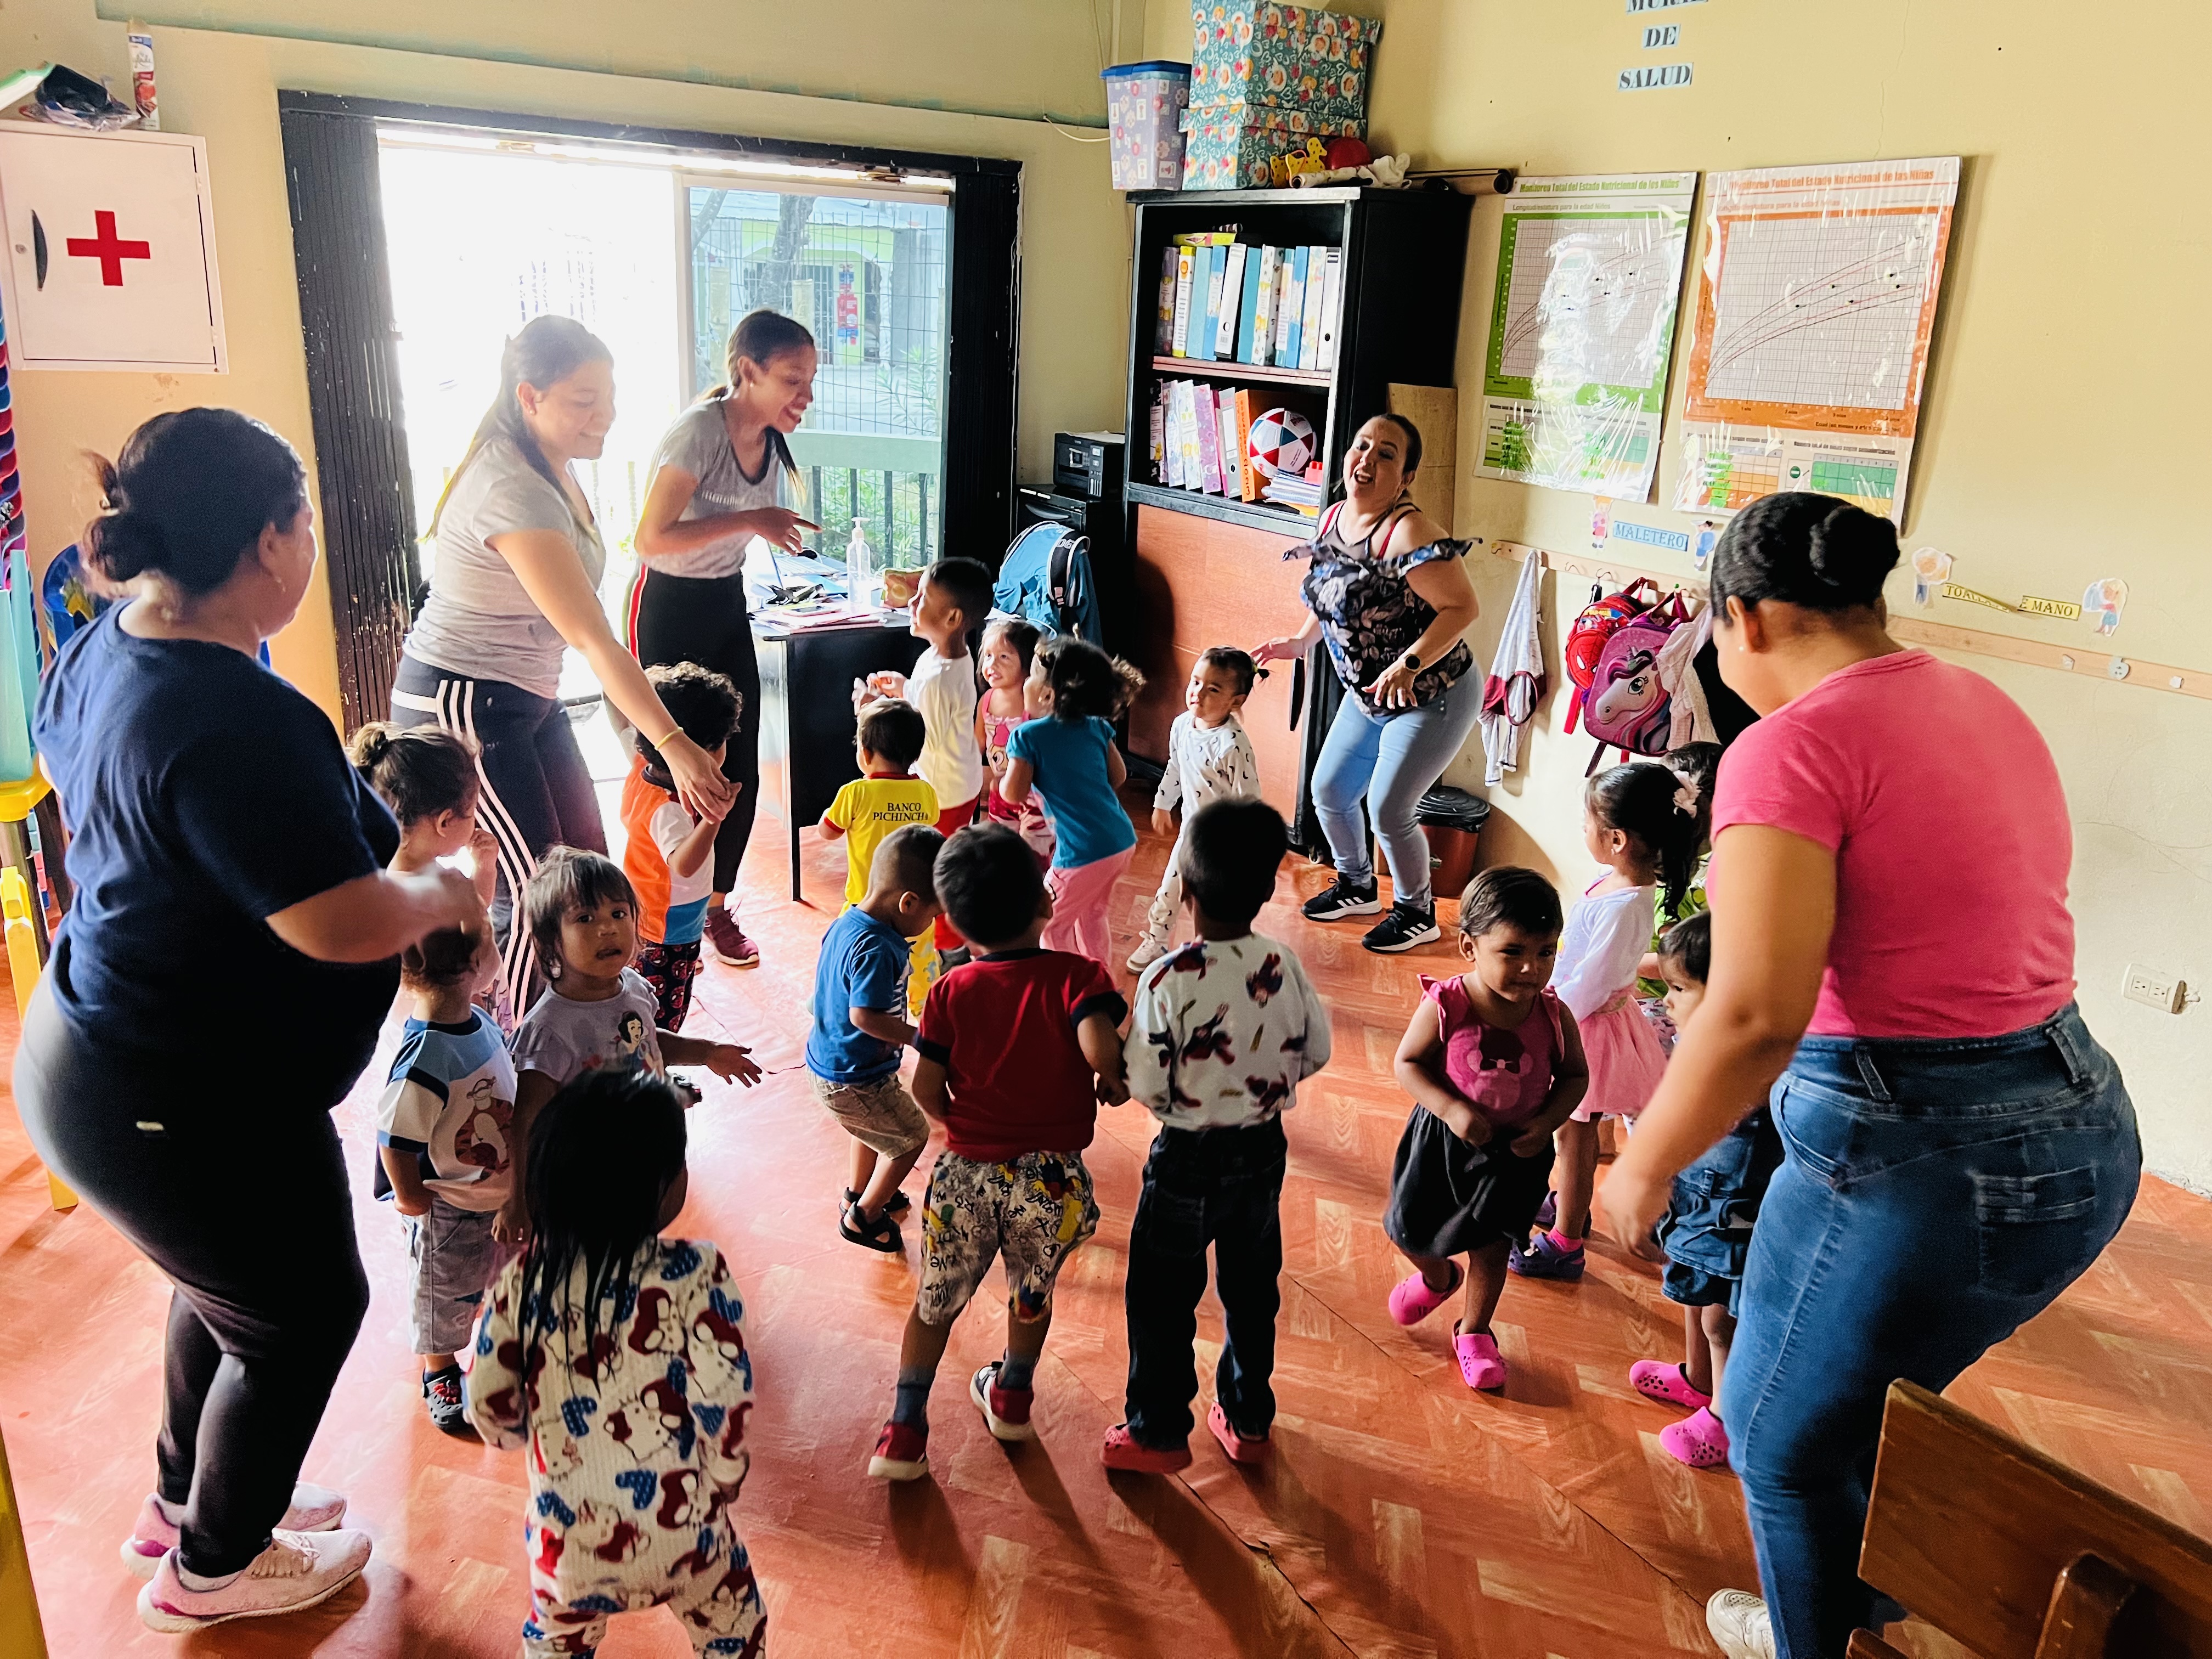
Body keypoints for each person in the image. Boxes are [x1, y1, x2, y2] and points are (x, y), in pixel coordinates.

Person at [1588, 493, 2141, 1659]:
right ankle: (1839, 1619)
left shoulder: (1786, 748)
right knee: (1859, 1413)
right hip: (2083, 1132)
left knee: (1777, 1441)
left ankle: (1817, 1637)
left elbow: (1754, 1013)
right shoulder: (1980, 699)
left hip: (1917, 1159)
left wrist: (1642, 1165)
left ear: (1742, 617)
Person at [19, 409, 484, 1630]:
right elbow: (338, 922)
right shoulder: (233, 717)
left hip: (102, 1052)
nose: (313, 540)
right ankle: (213, 1566)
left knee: (227, 1288)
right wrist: (440, 887)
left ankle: (188, 1499)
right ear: (270, 542)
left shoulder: (111, 642)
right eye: (307, 519)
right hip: (169, 1095)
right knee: (300, 1313)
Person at [392, 316, 736, 1020]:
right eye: (584, 400)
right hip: (465, 702)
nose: (604, 415)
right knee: (543, 896)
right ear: (530, 397)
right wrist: (673, 743)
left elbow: (589, 634)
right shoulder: (509, 485)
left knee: (583, 869)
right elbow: (594, 639)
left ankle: (582, 1039)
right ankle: (526, 1062)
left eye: (608, 397)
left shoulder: (554, 467)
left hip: (524, 697)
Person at [466, 1066, 766, 1659]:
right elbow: (724, 1397)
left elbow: (488, 1405)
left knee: (556, 1640)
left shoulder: (520, 1284)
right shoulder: (697, 1273)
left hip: (568, 1540)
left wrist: (517, 1437)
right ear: (664, 1187)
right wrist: (725, 1478)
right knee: (735, 1627)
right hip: (686, 1533)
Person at [867, 825, 1129, 1483]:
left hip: (967, 1178)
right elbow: (1099, 1045)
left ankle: (904, 1429)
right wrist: (1109, 1075)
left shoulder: (950, 991)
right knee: (1031, 1293)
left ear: (953, 924)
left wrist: (963, 1123)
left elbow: (926, 1087)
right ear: (1046, 901)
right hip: (1052, 1180)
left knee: (935, 1301)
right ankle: (1011, 1396)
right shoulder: (1079, 977)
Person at [1105, 799, 1330, 1471]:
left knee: (1161, 1298)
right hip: (1262, 1151)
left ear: (1189, 894)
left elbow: (1148, 1081)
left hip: (1185, 1158)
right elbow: (1316, 1051)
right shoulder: (1283, 964)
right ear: (1267, 890)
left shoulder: (1168, 977)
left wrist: (1129, 1084)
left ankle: (1156, 1432)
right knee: (1253, 1291)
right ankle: (1248, 1419)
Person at [631, 309, 823, 971]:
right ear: (748, 371)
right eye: (792, 380)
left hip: (724, 604)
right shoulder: (698, 433)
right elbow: (650, 538)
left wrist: (760, 527)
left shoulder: (769, 440)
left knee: (736, 761)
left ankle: (715, 906)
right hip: (668, 606)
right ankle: (655, 907)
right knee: (672, 764)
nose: (805, 395)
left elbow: (743, 531)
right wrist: (752, 519)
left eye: (810, 380)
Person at [1253, 414, 1481, 955]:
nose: (1368, 460)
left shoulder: (1407, 533)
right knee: (1330, 791)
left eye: (1387, 454)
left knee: (1389, 808)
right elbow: (1329, 593)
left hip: (1433, 694)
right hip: (1369, 696)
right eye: (1362, 446)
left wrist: (1410, 664)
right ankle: (1357, 886)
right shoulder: (1334, 516)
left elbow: (1462, 608)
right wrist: (1301, 642)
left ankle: (1417, 912)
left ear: (1406, 477)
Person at [1383, 868, 1588, 1394]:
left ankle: (1474, 1331)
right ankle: (1437, 1277)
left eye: (1545, 952)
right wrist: (1452, 1110)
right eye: (1513, 952)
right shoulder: (1447, 1004)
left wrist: (1546, 1123)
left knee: (1493, 1247)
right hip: (1442, 1145)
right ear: (1469, 947)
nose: (1531, 968)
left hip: (1514, 1156)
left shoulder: (1554, 1014)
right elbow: (1408, 1063)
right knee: (1406, 1228)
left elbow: (1574, 1077)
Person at [507, 850, 763, 1240]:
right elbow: (527, 1118)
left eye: (618, 914)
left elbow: (646, 1042)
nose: (607, 929)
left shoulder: (634, 988)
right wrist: (519, 1201)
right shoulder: (549, 1030)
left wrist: (707, 1052)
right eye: (585, 918)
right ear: (551, 940)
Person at [1509, 764, 1696, 1282]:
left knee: (1575, 1136)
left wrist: (1545, 1018)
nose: (1582, 829)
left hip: (1585, 1026)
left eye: (1587, 822)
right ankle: (1569, 1204)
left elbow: (1595, 982)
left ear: (1616, 839)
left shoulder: (1625, 905)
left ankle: (1566, 1241)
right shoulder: (1618, 886)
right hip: (1584, 1016)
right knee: (1573, 1133)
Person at [1628, 912, 1782, 1472]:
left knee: (1722, 1320)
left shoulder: (1749, 1069)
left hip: (1731, 1217)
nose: (1667, 1002)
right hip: (1699, 1202)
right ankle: (1699, 1379)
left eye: (1679, 990)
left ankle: (1725, 1420)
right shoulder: (1709, 1047)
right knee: (1695, 1297)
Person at [375, 924, 514, 1436]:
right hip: (451, 1207)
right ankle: (440, 1370)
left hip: (493, 1188)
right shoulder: (426, 1058)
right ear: (476, 965)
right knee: (442, 1291)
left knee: (492, 1279)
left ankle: (500, 1341)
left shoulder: (477, 1020)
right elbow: (394, 1136)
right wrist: (410, 1196)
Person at [805, 825, 945, 1253]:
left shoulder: (847, 922)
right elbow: (864, 1016)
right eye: (933, 915)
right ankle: (864, 1216)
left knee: (872, 1129)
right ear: (909, 903)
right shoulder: (879, 949)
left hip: (836, 1064)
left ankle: (858, 1189)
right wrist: (921, 1038)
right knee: (911, 1138)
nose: (932, 924)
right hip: (855, 1077)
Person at [860, 555, 995, 963]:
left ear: (953, 618)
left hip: (942, 793)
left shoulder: (939, 677)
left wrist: (873, 710)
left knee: (933, 871)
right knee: (946, 861)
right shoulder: (946, 657)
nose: (912, 602)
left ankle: (948, 953)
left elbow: (919, 739)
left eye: (923, 597)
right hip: (957, 782)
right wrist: (904, 691)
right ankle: (950, 945)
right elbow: (933, 712)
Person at [999, 636, 1143, 973]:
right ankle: (1100, 982)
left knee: (1047, 922)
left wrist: (1005, 775)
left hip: (1081, 853)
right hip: (1121, 842)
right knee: (1093, 913)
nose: (1026, 682)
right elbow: (1119, 776)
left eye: (1031, 676)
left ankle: (1065, 989)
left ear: (1047, 694)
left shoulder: (1028, 736)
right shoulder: (1097, 727)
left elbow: (1014, 794)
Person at [1126, 647, 1263, 973]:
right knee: (1170, 888)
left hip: (1223, 844)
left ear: (1236, 701)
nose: (1198, 693)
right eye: (1196, 682)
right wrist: (1162, 804)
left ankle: (1226, 947)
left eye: (1213, 689)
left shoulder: (1232, 744)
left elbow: (1249, 800)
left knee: (1217, 903)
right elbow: (1175, 768)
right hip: (1191, 833)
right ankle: (1157, 939)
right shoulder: (1182, 726)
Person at [620, 662, 742, 1031]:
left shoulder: (642, 766)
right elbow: (684, 865)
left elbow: (625, 723)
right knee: (663, 1012)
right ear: (704, 750)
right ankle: (658, 1059)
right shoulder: (668, 807)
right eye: (721, 743)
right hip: (668, 925)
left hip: (655, 911)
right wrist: (714, 817)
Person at [819, 700, 940, 1012]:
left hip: (866, 904)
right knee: (921, 963)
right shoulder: (926, 793)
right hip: (917, 907)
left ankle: (844, 999)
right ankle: (926, 1010)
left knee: (846, 951)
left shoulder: (855, 793)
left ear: (866, 753)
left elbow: (827, 831)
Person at [347, 721, 501, 909]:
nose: (475, 821)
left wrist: (484, 868)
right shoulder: (429, 897)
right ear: (445, 822)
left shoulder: (389, 877)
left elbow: (473, 908)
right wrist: (485, 871)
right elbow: (476, 910)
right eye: (471, 811)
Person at [976, 616, 1053, 867]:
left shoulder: (1036, 704)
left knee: (1035, 857)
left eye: (1004, 657)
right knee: (1000, 851)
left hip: (1036, 797)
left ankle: (1037, 889)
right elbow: (978, 745)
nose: (992, 664)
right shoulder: (986, 700)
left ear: (1028, 664)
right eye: (988, 656)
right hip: (1001, 793)